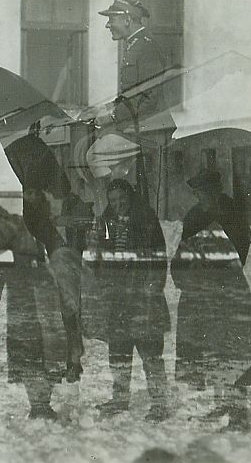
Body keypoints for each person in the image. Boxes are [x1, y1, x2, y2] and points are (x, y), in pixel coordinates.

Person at [172, 168, 251, 432]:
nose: (198, 197)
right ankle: (221, 402)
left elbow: (240, 251)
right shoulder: (194, 216)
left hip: (227, 293)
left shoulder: (232, 213)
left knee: (232, 350)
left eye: (201, 192)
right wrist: (184, 272)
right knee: (209, 351)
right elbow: (183, 250)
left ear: (214, 191)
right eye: (196, 193)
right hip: (201, 296)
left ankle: (239, 414)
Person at [93, 178, 171, 423]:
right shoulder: (106, 223)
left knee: (150, 353)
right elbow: (99, 259)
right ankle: (119, 399)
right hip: (117, 300)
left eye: (122, 199)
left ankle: (159, 403)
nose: (118, 204)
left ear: (131, 197)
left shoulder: (146, 220)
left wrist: (153, 289)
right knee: (118, 353)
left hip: (143, 298)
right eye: (113, 200)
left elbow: (159, 258)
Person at [97, 0, 177, 217]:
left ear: (126, 19)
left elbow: (150, 97)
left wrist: (113, 116)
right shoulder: (135, 45)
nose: (108, 25)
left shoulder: (146, 47)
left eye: (111, 19)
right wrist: (106, 108)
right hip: (139, 126)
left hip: (151, 128)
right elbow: (132, 94)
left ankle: (114, 213)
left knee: (95, 156)